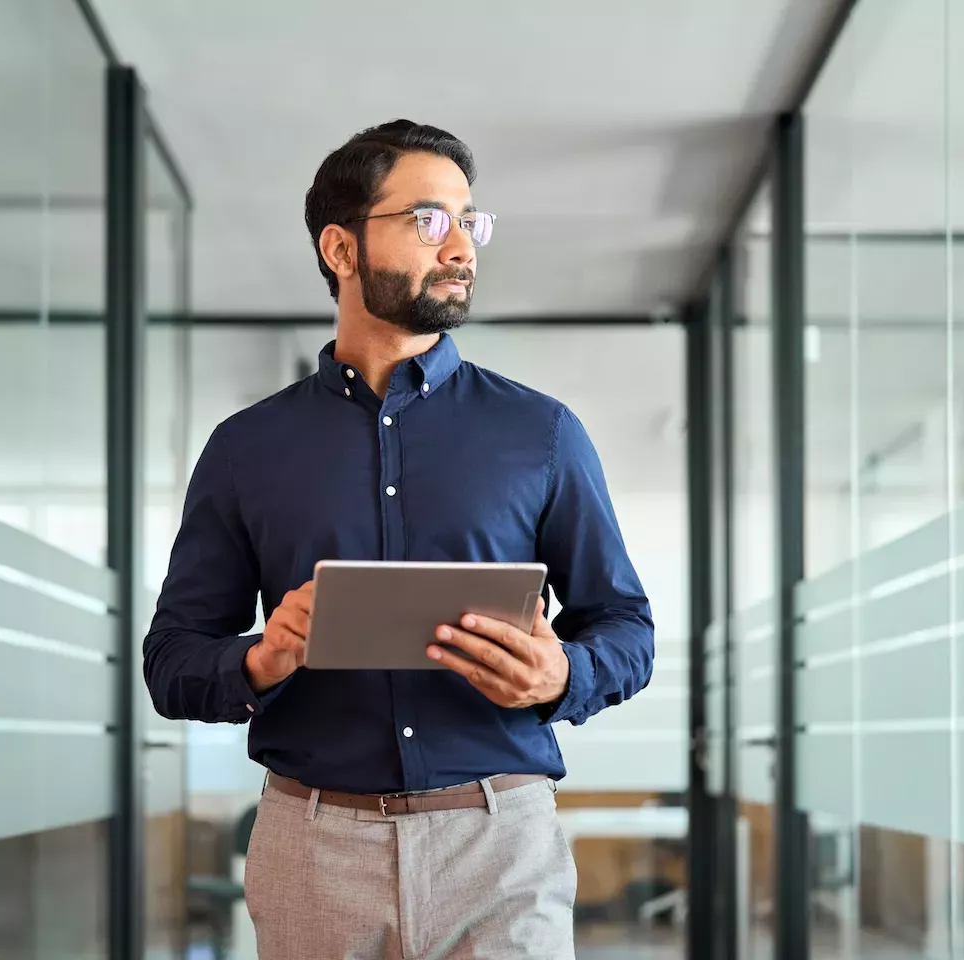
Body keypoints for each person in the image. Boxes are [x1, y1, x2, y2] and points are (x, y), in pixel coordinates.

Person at [142, 119, 654, 960]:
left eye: (469, 220)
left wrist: (564, 673)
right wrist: (263, 659)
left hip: (499, 844)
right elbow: (171, 660)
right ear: (340, 248)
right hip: (313, 847)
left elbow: (626, 626)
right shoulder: (245, 450)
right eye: (428, 219)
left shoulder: (543, 434)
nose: (461, 246)